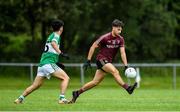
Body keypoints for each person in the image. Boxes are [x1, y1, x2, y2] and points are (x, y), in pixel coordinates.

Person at [70, 19, 137, 103]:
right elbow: (93, 46)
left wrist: (126, 65)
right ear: (113, 28)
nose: (120, 31)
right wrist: (88, 60)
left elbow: (123, 53)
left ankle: (77, 93)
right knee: (115, 71)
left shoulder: (121, 39)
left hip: (108, 62)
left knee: (95, 82)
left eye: (121, 29)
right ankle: (128, 88)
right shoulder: (105, 37)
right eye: (118, 29)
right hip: (101, 59)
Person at [14, 19, 70, 104]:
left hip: (42, 64)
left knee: (36, 85)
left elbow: (50, 51)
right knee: (65, 78)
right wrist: (61, 53)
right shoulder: (56, 36)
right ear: (61, 28)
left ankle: (20, 99)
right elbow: (53, 44)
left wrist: (56, 62)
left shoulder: (51, 35)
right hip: (48, 63)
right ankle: (62, 98)